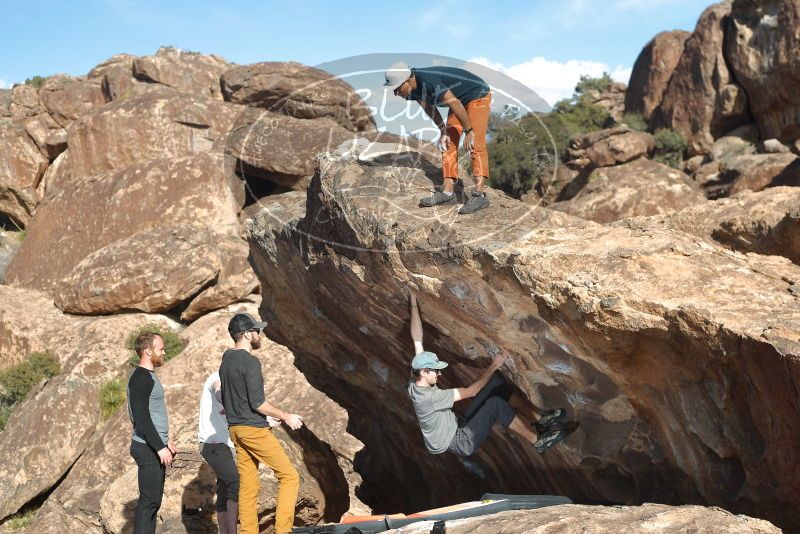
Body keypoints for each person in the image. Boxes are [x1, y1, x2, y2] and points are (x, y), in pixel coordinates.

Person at [407, 292, 574, 457]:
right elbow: (471, 391)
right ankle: (538, 442)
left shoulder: (417, 378)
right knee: (495, 405)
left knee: (496, 386)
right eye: (436, 371)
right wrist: (494, 364)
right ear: (424, 372)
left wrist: (413, 301)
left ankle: (540, 421)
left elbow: (417, 338)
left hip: (458, 425)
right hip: (461, 441)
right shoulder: (430, 398)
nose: (439, 374)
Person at [219, 313, 304, 534]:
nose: (259, 334)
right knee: (289, 476)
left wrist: (263, 416)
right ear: (247, 334)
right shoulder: (250, 362)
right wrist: (286, 416)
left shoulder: (227, 359)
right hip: (253, 430)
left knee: (249, 486)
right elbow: (258, 402)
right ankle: (283, 531)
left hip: (236, 430)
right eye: (257, 331)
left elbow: (230, 396)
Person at [385, 62, 492, 214]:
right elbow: (429, 107)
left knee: (475, 143)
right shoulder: (411, 90)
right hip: (458, 101)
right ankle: (448, 193)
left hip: (477, 94)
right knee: (448, 143)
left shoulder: (429, 80)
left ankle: (480, 196)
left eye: (396, 89)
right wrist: (443, 130)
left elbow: (453, 102)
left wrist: (469, 130)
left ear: (407, 81)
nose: (396, 93)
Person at [127, 332, 176, 534]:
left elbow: (153, 414)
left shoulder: (148, 376)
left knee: (152, 502)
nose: (164, 352)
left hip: (152, 445)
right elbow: (141, 417)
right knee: (148, 503)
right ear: (148, 351)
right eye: (161, 349)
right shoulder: (140, 378)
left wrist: (166, 441)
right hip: (147, 448)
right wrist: (159, 446)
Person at [198, 370, 240, 533]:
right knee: (235, 482)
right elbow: (218, 392)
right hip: (213, 444)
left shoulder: (233, 383)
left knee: (224, 488)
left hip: (223, 444)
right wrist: (228, 405)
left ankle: (225, 531)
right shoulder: (217, 377)